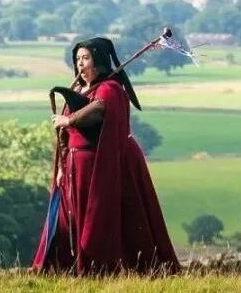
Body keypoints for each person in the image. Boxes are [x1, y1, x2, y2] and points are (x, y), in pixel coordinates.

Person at [32, 37, 179, 275]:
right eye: (77, 59)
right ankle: (63, 268)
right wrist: (61, 166)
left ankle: (104, 268)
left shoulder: (110, 90)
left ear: (98, 60)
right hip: (74, 166)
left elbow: (99, 109)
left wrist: (69, 119)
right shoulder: (78, 90)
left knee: (103, 218)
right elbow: (64, 134)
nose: (81, 63)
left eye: (86, 58)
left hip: (105, 164)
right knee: (67, 219)